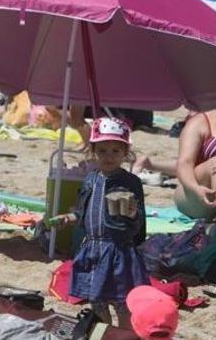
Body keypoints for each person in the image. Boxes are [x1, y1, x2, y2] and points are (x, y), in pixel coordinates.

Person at [52, 117, 148, 329]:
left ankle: (123, 334)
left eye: (116, 151)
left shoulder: (131, 182)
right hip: (93, 248)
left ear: (125, 153)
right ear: (93, 151)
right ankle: (104, 333)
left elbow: (139, 222)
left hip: (118, 250)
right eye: (103, 150)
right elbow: (82, 211)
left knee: (122, 301)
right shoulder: (90, 179)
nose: (109, 156)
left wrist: (132, 213)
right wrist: (69, 218)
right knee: (98, 301)